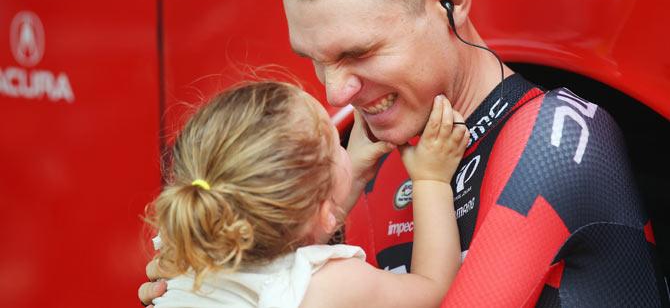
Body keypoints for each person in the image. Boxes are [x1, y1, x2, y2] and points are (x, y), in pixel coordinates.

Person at [141, 0, 669, 306]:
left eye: (359, 52)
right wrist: (214, 277)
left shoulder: (557, 141)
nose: (336, 92)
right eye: (315, 61)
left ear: (450, 0)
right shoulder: (358, 162)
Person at [144, 81, 468, 307]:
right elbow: (433, 289)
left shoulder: (188, 251)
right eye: (334, 142)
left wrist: (342, 177)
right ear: (325, 212)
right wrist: (430, 179)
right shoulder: (332, 284)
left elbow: (297, 226)